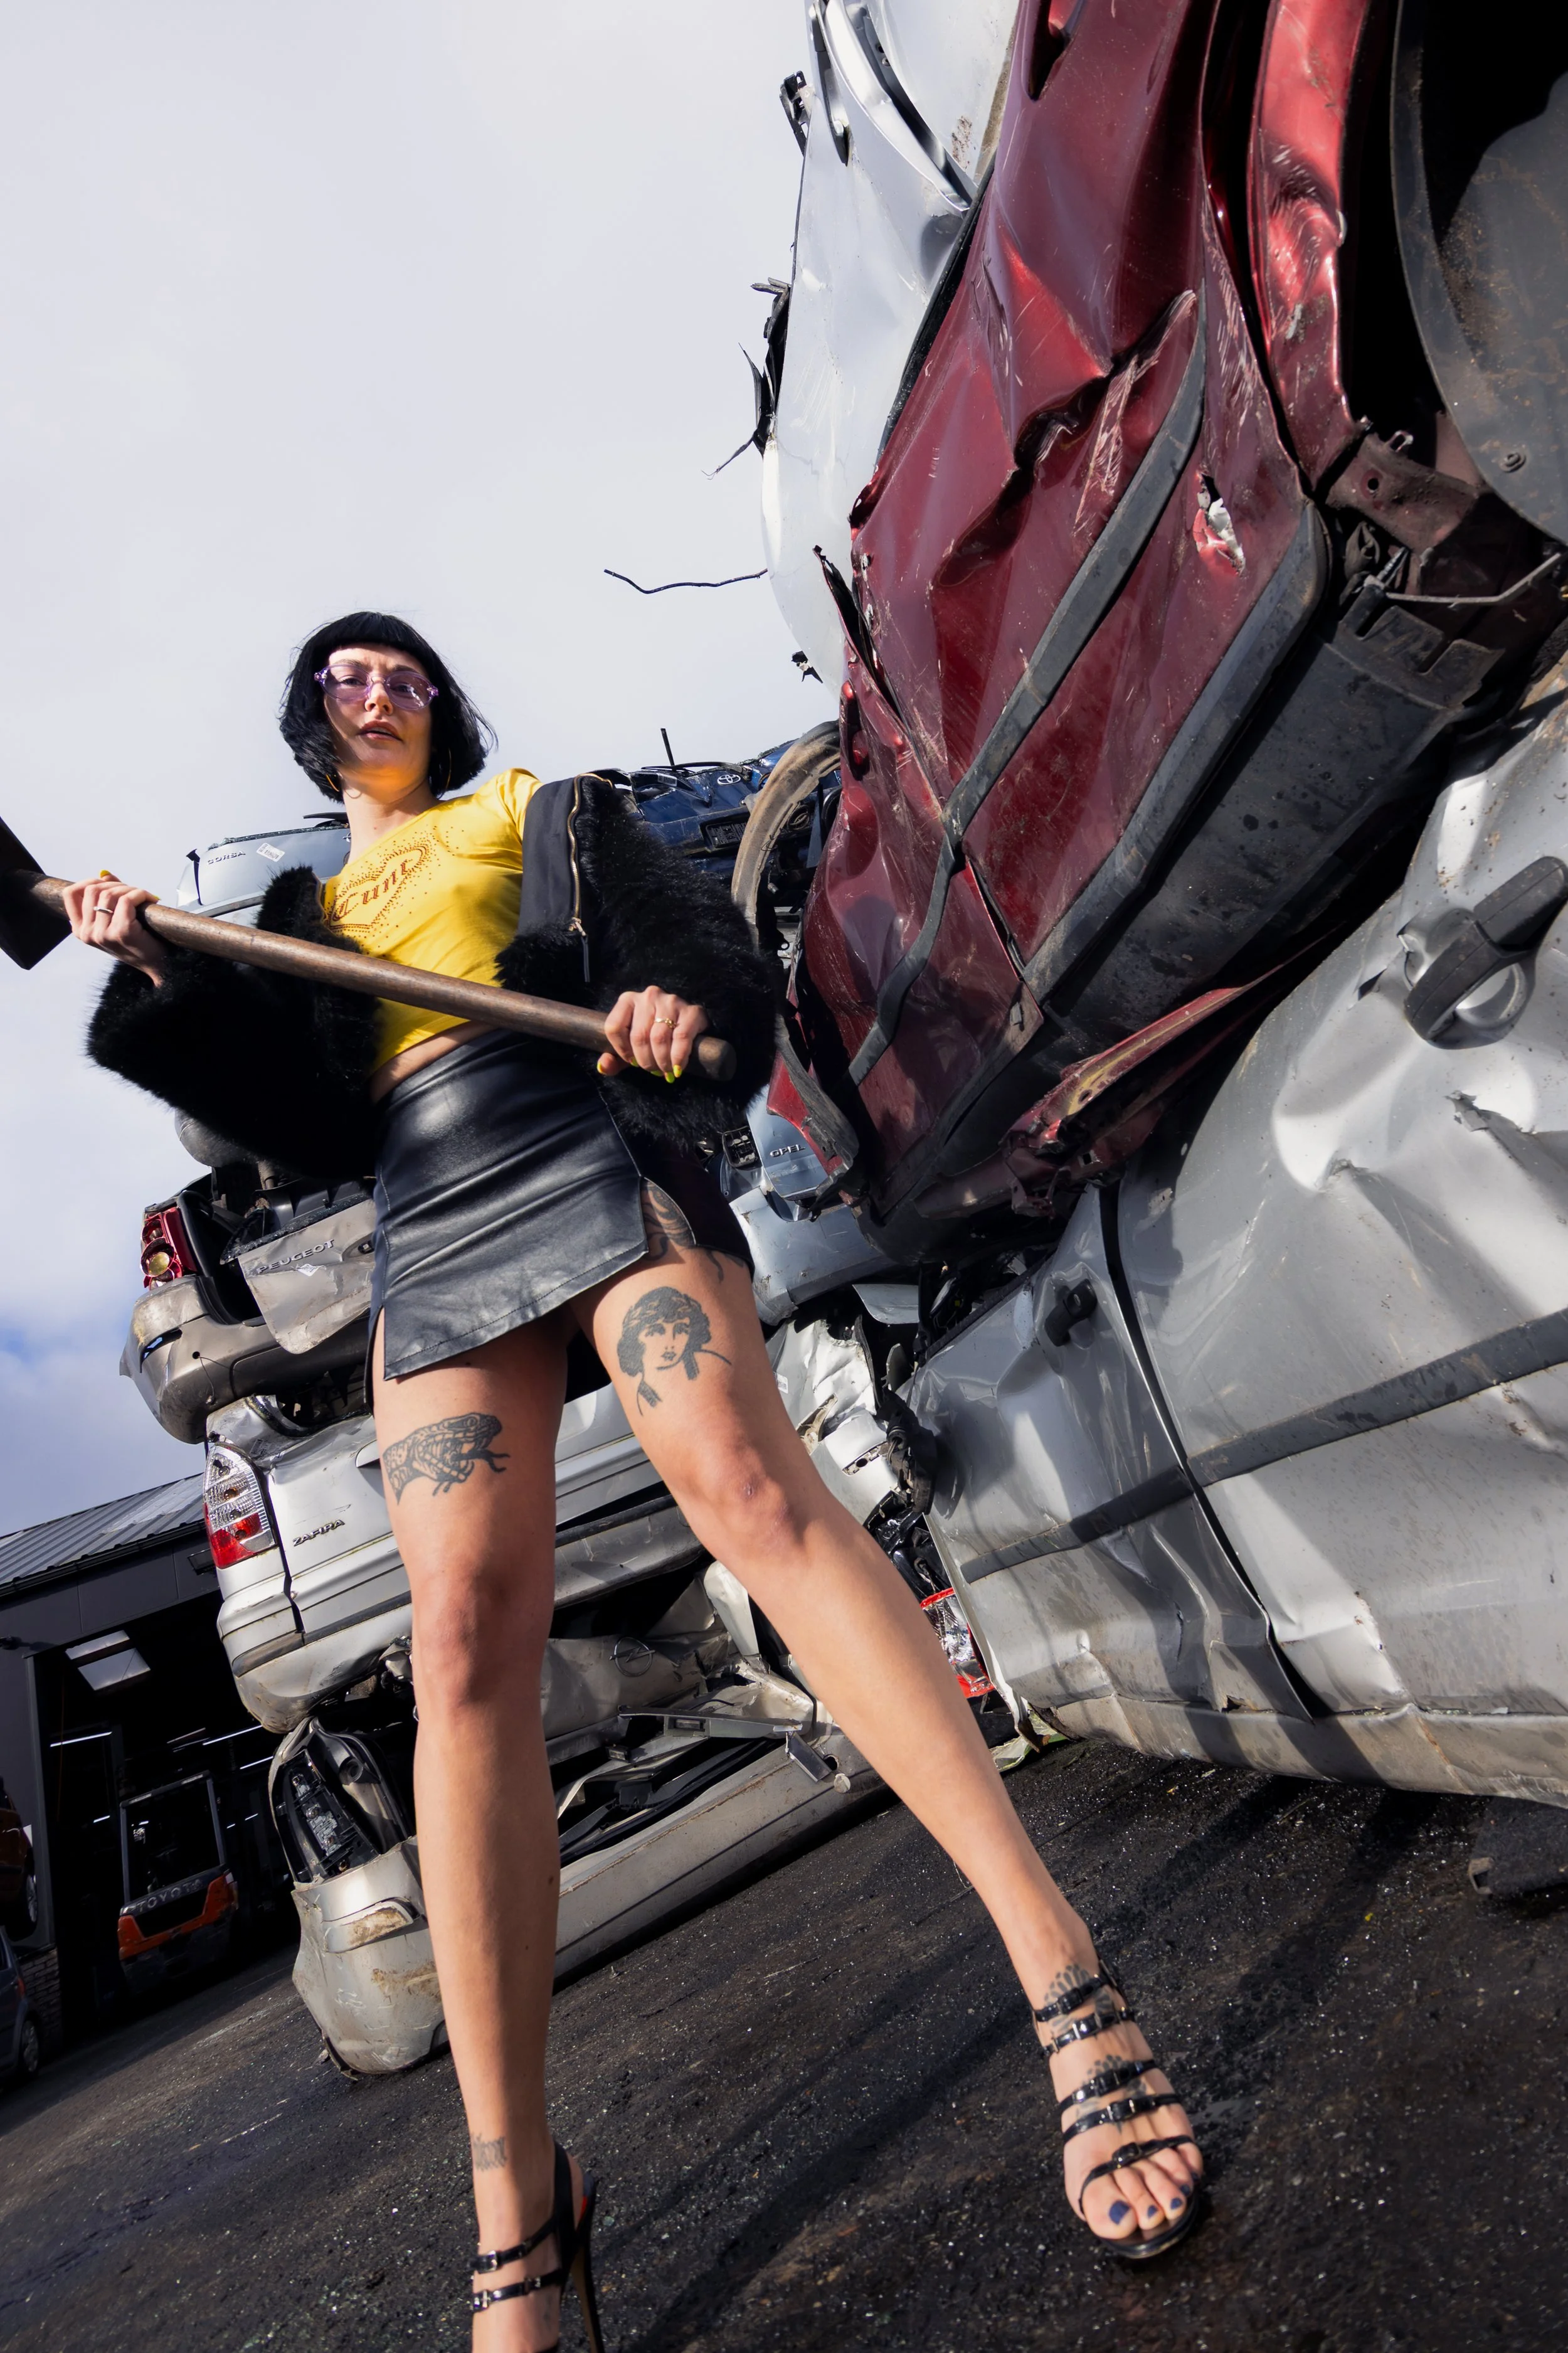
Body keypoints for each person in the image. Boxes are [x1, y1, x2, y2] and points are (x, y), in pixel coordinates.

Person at [68, 613, 1204, 2347]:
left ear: (440, 706)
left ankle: (1065, 1977)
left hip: (578, 1135)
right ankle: (519, 2192)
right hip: (426, 1219)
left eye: (401, 668)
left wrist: (682, 1011)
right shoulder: (292, 929)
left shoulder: (549, 815)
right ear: (310, 725)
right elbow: (302, 1121)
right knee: (455, 1650)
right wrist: (156, 975)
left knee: (750, 1491)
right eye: (341, 676)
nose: (373, 687)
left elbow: (702, 974)